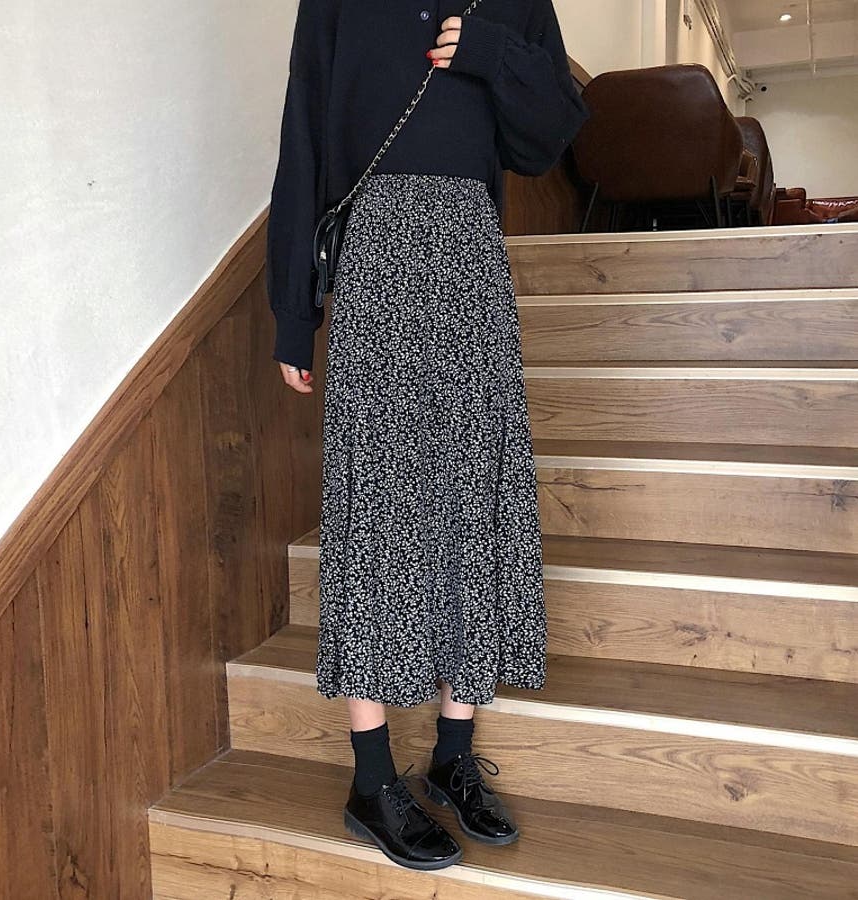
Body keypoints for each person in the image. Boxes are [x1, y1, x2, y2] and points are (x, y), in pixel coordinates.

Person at [266, 0, 589, 872]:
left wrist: (491, 52)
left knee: (472, 504)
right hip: (376, 259)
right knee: (378, 512)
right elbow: (304, 136)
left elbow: (546, 139)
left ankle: (452, 753)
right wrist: (294, 312)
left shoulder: (512, 4)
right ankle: (372, 778)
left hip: (471, 257)